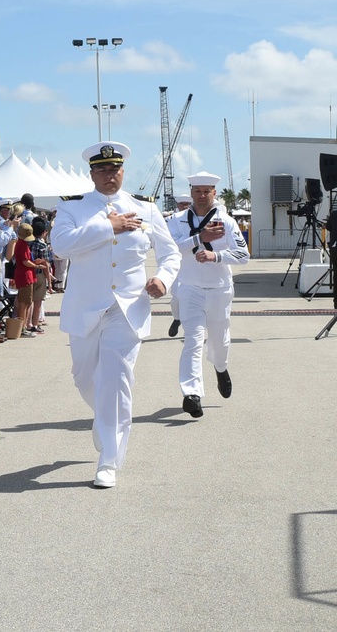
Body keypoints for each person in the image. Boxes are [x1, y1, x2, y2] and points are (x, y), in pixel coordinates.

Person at [50, 142, 180, 489]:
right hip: (85, 307)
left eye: (116, 169)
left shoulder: (146, 209)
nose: (111, 176)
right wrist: (109, 227)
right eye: (104, 170)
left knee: (116, 379)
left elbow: (170, 255)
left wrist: (163, 280)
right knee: (84, 378)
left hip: (128, 307)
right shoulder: (73, 210)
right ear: (92, 174)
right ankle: (103, 420)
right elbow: (60, 247)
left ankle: (108, 459)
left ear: (124, 171)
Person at [166, 172, 248, 418]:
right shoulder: (176, 220)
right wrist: (199, 238)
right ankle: (192, 394)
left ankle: (221, 368)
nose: (202, 196)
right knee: (193, 340)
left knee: (220, 341)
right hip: (189, 288)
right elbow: (169, 251)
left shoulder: (227, 221)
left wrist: (217, 255)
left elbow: (243, 256)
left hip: (220, 289)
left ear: (215, 193)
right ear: (190, 192)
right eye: (197, 191)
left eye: (206, 191)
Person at [167, 193, 194, 337]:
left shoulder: (197, 218)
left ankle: (194, 327)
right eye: (182, 203)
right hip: (178, 262)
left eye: (187, 204)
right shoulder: (171, 220)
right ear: (177, 205)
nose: (185, 206)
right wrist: (196, 238)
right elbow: (173, 242)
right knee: (176, 296)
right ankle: (177, 318)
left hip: (196, 262)